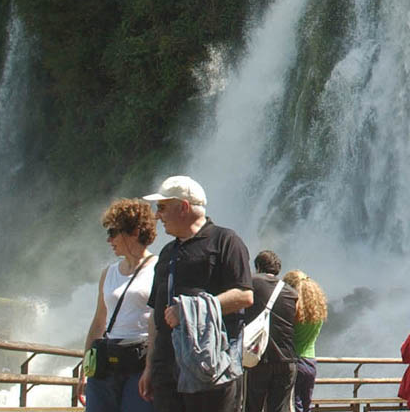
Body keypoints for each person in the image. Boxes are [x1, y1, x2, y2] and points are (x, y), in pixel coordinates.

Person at [137, 176, 253, 412]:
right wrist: (150, 366)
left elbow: (244, 295)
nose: (156, 215)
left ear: (183, 207)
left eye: (161, 208)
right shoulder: (167, 252)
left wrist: (190, 312)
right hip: (166, 368)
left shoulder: (225, 241)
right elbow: (155, 314)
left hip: (209, 365)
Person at [77, 199, 158, 412]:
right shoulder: (109, 272)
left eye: (113, 232)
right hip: (105, 364)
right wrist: (85, 367)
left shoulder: (158, 269)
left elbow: (159, 324)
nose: (109, 240)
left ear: (135, 231)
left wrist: (151, 367)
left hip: (139, 364)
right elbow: (98, 322)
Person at [244, 251, 298, 412]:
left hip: (258, 358)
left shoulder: (251, 283)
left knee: (252, 407)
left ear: (258, 266)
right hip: (287, 359)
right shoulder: (292, 293)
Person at [283, 270, 326, 412]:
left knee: (293, 406)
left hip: (293, 362)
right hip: (310, 363)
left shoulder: (293, 313)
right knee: (305, 405)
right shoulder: (317, 313)